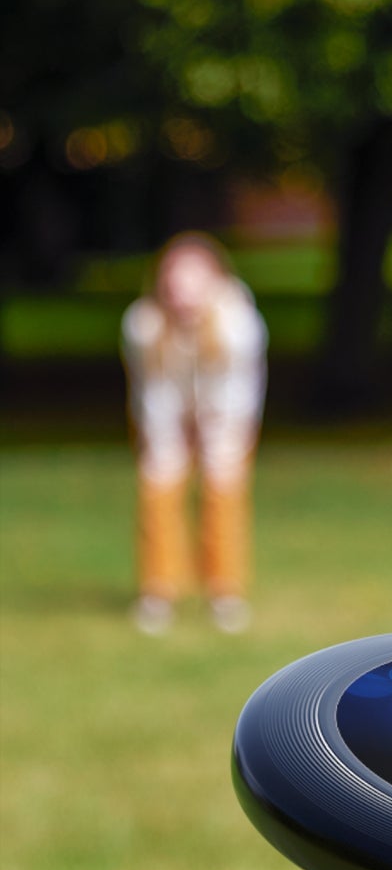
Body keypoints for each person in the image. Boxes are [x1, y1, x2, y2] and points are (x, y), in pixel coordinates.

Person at [121, 232, 268, 635]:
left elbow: (239, 391)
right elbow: (152, 391)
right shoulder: (143, 324)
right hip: (165, 415)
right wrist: (168, 439)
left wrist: (215, 434)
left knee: (223, 492)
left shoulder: (239, 324)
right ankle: (158, 591)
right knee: (158, 487)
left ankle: (225, 593)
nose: (182, 292)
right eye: (174, 281)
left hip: (226, 416)